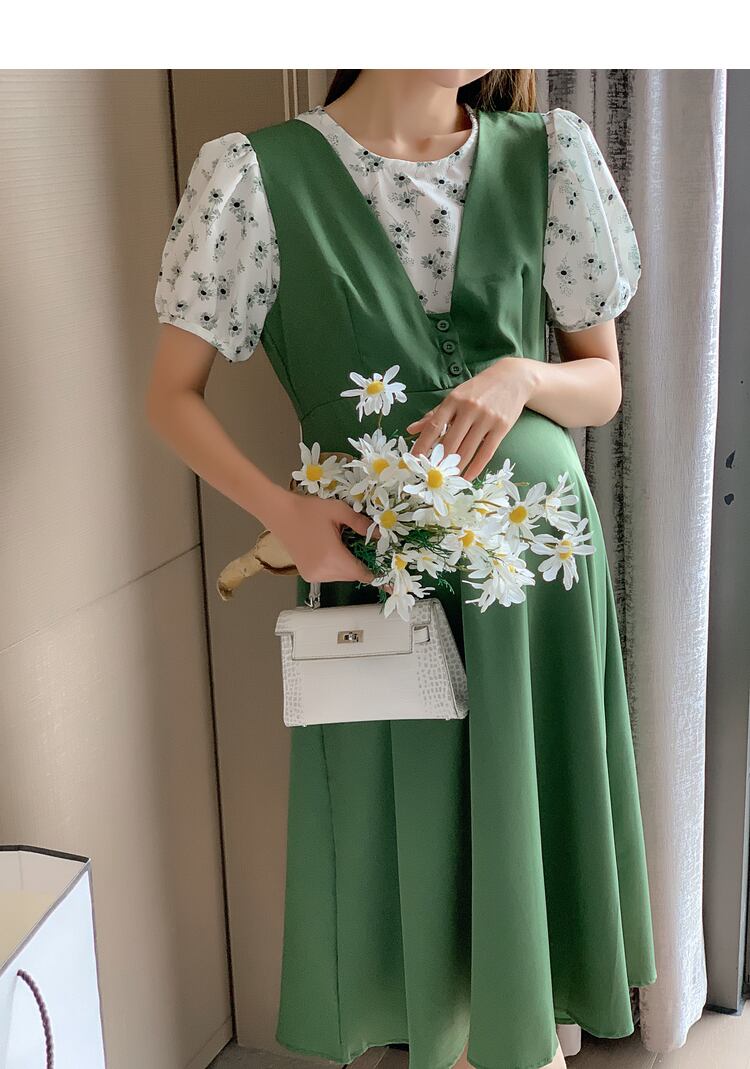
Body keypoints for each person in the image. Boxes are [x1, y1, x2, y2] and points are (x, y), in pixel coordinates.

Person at [147, 69, 657, 1069]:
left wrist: (520, 375)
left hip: (538, 567)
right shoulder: (253, 175)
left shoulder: (549, 154)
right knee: (417, 843)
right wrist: (286, 517)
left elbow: (601, 385)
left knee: (528, 822)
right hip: (375, 570)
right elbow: (171, 397)